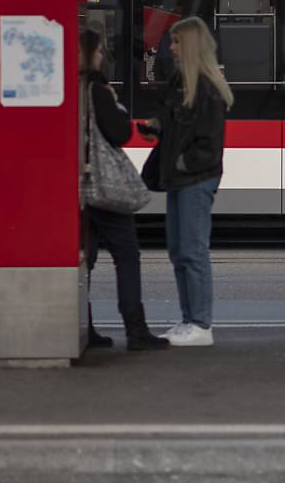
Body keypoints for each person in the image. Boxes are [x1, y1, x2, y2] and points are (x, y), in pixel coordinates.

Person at [141, 17, 230, 347]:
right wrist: (157, 126)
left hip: (195, 178)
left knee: (192, 250)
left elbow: (209, 144)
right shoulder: (183, 82)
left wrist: (180, 161)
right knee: (179, 250)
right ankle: (188, 319)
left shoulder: (205, 87)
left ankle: (201, 324)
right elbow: (176, 124)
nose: (172, 48)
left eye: (177, 42)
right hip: (181, 177)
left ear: (191, 45)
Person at [80, 29, 168, 352]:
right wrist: (118, 109)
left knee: (84, 259)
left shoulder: (67, 88)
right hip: (103, 187)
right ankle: (136, 328)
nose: (102, 57)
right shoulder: (98, 90)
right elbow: (118, 133)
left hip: (77, 187)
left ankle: (83, 326)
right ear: (89, 54)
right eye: (99, 51)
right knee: (127, 255)